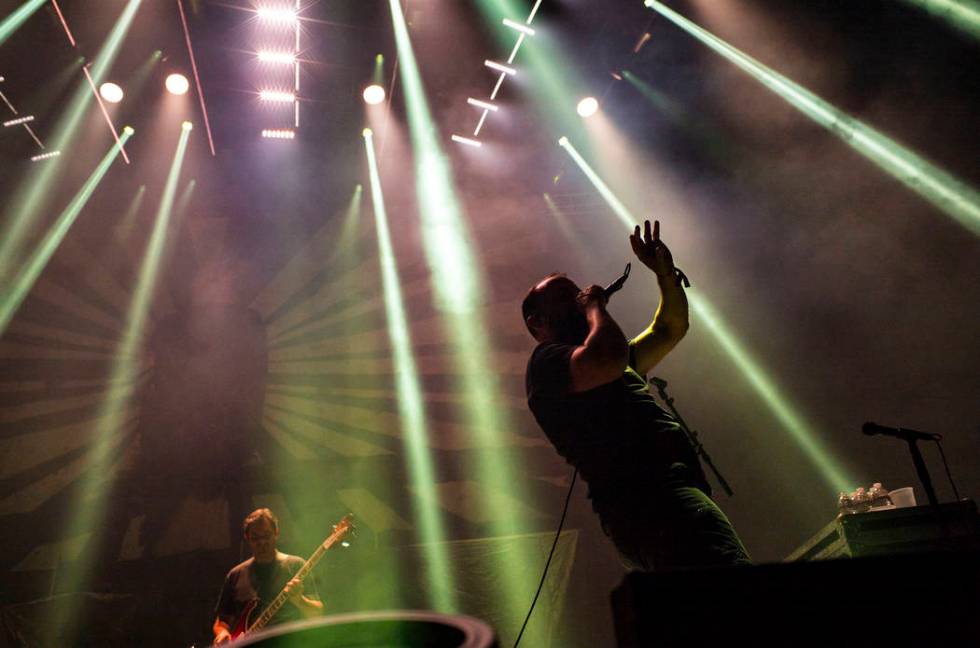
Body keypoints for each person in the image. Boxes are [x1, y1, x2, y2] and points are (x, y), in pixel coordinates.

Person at [523, 220, 750, 571]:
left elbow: (670, 328)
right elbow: (606, 358)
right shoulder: (547, 362)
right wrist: (596, 306)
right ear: (537, 323)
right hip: (654, 501)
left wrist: (665, 275)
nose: (576, 297)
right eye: (563, 297)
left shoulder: (605, 360)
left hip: (659, 502)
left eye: (575, 292)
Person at [212, 508, 323, 644]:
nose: (262, 542)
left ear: (276, 533)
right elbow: (222, 621)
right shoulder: (235, 575)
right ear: (247, 538)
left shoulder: (295, 566)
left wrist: (300, 600)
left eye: (267, 535)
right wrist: (222, 632)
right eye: (256, 537)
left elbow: (317, 613)